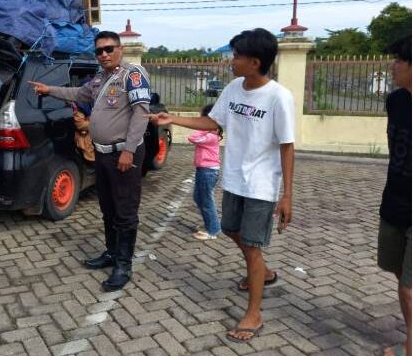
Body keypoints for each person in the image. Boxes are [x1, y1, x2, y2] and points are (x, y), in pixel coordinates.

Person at [150, 28, 294, 343]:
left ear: (255, 62)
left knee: (253, 248)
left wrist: (287, 196)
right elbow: (214, 122)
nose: (232, 61)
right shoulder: (232, 89)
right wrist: (173, 119)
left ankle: (253, 314)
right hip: (234, 178)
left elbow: (287, 146)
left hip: (261, 185)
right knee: (230, 229)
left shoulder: (278, 97)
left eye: (237, 56)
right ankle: (264, 274)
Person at [30, 30, 151, 291]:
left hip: (123, 155)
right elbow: (77, 94)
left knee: (125, 212)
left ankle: (123, 265)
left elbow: (141, 114)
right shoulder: (98, 79)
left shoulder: (133, 75)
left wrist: (129, 151)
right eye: (99, 51)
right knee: (107, 208)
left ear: (120, 50)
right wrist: (48, 89)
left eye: (109, 49)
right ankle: (110, 253)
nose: (104, 54)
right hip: (103, 154)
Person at [378, 34, 411, 356]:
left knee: (409, 286)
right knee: (400, 272)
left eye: (399, 60)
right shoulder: (396, 101)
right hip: (395, 200)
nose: (393, 65)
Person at [187, 103, 222, 241]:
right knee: (198, 197)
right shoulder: (210, 134)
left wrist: (203, 127)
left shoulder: (211, 136)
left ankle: (213, 230)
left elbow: (192, 137)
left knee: (206, 201)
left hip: (208, 172)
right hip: (203, 170)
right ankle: (211, 223)